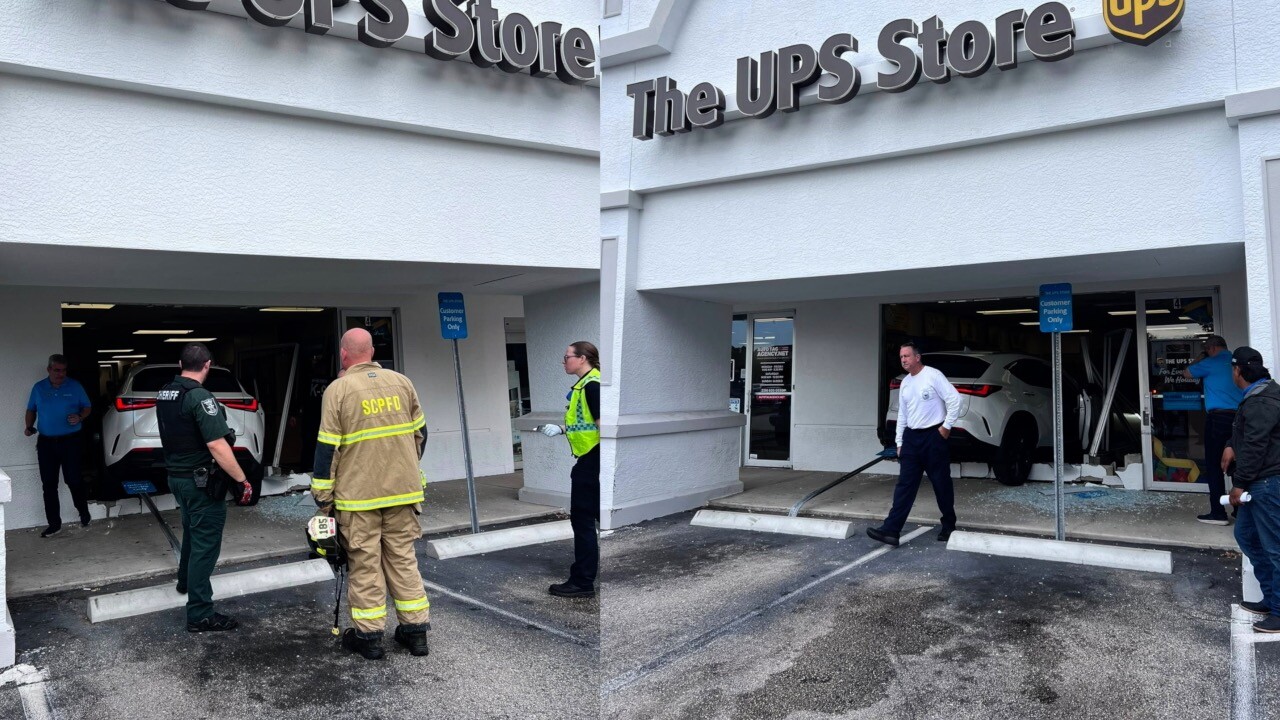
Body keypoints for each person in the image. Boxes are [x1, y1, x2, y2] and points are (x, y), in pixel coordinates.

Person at [312, 328, 430, 660]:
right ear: (373, 350)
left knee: (365, 565)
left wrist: (323, 495)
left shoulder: (339, 390)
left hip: (359, 498)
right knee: (404, 560)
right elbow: (420, 433)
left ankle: (369, 638)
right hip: (403, 493)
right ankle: (416, 632)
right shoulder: (402, 383)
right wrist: (404, 468)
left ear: (344, 354)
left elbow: (327, 449)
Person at [156, 343, 251, 632]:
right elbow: (216, 444)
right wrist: (241, 479)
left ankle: (185, 582)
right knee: (205, 545)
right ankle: (200, 613)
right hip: (200, 482)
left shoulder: (166, 392)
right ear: (207, 365)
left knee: (192, 533)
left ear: (180, 363)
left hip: (177, 478)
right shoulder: (199, 397)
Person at [868, 341, 962, 547]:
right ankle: (891, 530)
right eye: (901, 357)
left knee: (941, 484)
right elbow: (903, 413)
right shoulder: (905, 383)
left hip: (933, 437)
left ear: (917, 357)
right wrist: (899, 441)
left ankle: (949, 526)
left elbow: (955, 400)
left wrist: (946, 427)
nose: (903, 360)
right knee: (905, 485)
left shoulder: (933, 375)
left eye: (907, 356)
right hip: (911, 439)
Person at [1222, 346, 1280, 633]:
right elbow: (1250, 435)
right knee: (1245, 534)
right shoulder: (1259, 394)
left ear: (1237, 371)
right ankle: (1270, 598)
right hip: (1260, 481)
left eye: (1232, 370)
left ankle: (1279, 609)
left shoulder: (1261, 401)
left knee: (1274, 547)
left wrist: (1239, 484)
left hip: (1265, 483)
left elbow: (1257, 446)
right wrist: (1232, 444)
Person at [540, 341, 601, 599]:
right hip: (591, 459)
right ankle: (584, 577)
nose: (564, 361)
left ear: (583, 358)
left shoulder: (592, 386)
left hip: (592, 461)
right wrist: (562, 429)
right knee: (592, 518)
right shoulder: (585, 384)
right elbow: (586, 423)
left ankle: (582, 581)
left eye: (567, 357)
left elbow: (604, 427)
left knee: (583, 520)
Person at [24, 354, 93, 537]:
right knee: (49, 484)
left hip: (71, 441)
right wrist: (28, 427)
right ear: (49, 370)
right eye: (56, 370)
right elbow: (31, 409)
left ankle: (83, 511)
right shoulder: (39, 388)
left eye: (63, 370)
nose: (60, 374)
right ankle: (54, 524)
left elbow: (87, 407)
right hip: (46, 443)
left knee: (73, 479)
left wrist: (80, 416)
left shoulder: (75, 386)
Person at [1183, 335, 1243, 525]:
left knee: (1214, 465)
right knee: (1236, 464)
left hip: (1218, 419)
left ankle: (1218, 512)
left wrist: (1200, 357)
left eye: (1207, 349)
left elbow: (1186, 373)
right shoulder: (1236, 361)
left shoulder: (1209, 362)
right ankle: (1239, 510)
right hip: (1239, 418)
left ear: (1212, 348)